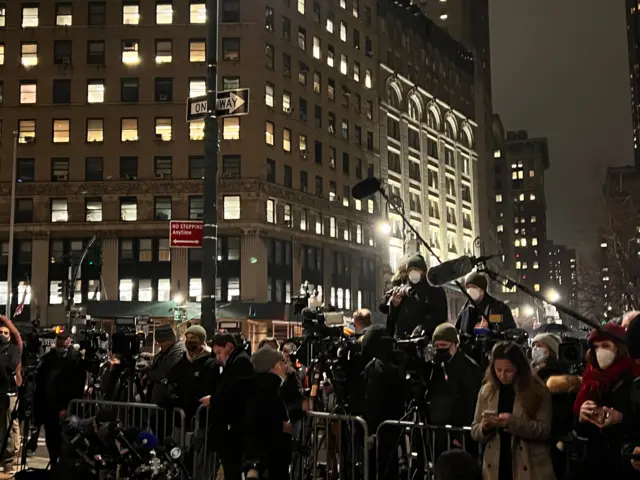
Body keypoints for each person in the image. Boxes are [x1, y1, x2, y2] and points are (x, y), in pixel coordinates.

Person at [471, 341, 555, 480]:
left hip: (529, 465)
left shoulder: (536, 390)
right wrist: (485, 428)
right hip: (496, 466)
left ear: (519, 368)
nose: (503, 375)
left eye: (508, 371)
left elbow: (544, 430)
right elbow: (475, 429)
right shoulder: (487, 391)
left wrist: (514, 423)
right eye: (498, 370)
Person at [573, 322, 640, 479]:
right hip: (596, 466)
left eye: (605, 346)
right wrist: (583, 418)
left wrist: (620, 419)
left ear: (620, 348)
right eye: (596, 347)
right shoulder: (590, 380)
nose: (600, 351)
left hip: (626, 465)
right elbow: (579, 432)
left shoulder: (634, 377)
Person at [203, 332, 254, 480]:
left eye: (219, 352)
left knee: (233, 467)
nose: (218, 357)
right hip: (231, 425)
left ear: (229, 347)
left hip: (234, 425)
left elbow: (234, 392)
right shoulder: (235, 361)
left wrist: (213, 400)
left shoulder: (240, 362)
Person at [426, 323, 482, 457]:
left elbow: (472, 403)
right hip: (439, 434)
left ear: (455, 344)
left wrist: (460, 435)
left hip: (460, 437)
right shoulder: (437, 367)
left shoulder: (470, 369)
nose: (440, 350)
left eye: (444, 346)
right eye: (437, 346)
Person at [34, 331, 86, 471]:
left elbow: (77, 386)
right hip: (49, 405)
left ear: (69, 340)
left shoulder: (75, 360)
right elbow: (41, 383)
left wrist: (67, 407)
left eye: (63, 339)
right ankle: (53, 463)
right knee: (51, 437)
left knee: (66, 440)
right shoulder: (48, 359)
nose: (60, 342)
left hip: (66, 406)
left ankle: (62, 468)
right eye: (59, 339)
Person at [530, 333, 580, 480]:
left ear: (551, 349)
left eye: (540, 346)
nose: (535, 349)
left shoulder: (555, 373)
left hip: (554, 436)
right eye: (534, 346)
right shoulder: (533, 370)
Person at [245, 347, 293, 479]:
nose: (285, 367)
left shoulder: (265, 386)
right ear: (272, 367)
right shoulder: (267, 389)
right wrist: (282, 427)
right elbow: (260, 420)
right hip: (271, 457)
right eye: (281, 363)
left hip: (267, 455)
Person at [386, 253, 448, 338]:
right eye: (410, 270)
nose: (413, 272)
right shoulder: (404, 290)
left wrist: (423, 327)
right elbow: (393, 318)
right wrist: (394, 305)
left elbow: (440, 316)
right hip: (402, 340)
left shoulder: (434, 290)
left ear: (423, 271)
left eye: (416, 269)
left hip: (425, 339)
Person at [456, 271, 516, 335]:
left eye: (473, 287)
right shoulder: (465, 309)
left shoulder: (499, 308)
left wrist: (487, 331)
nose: (469, 290)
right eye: (468, 287)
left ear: (482, 290)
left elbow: (509, 330)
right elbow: (457, 330)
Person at [0, 318, 21, 476]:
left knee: (10, 428)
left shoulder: (15, 349)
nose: (2, 335)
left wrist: (2, 317)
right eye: (0, 332)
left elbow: (11, 366)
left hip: (10, 393)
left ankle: (9, 461)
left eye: (5, 332)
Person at [145, 324, 184, 406]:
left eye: (161, 342)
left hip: (167, 400)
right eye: (158, 342)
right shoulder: (165, 350)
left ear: (171, 339)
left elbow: (163, 373)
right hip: (159, 397)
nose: (159, 344)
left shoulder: (177, 351)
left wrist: (148, 372)